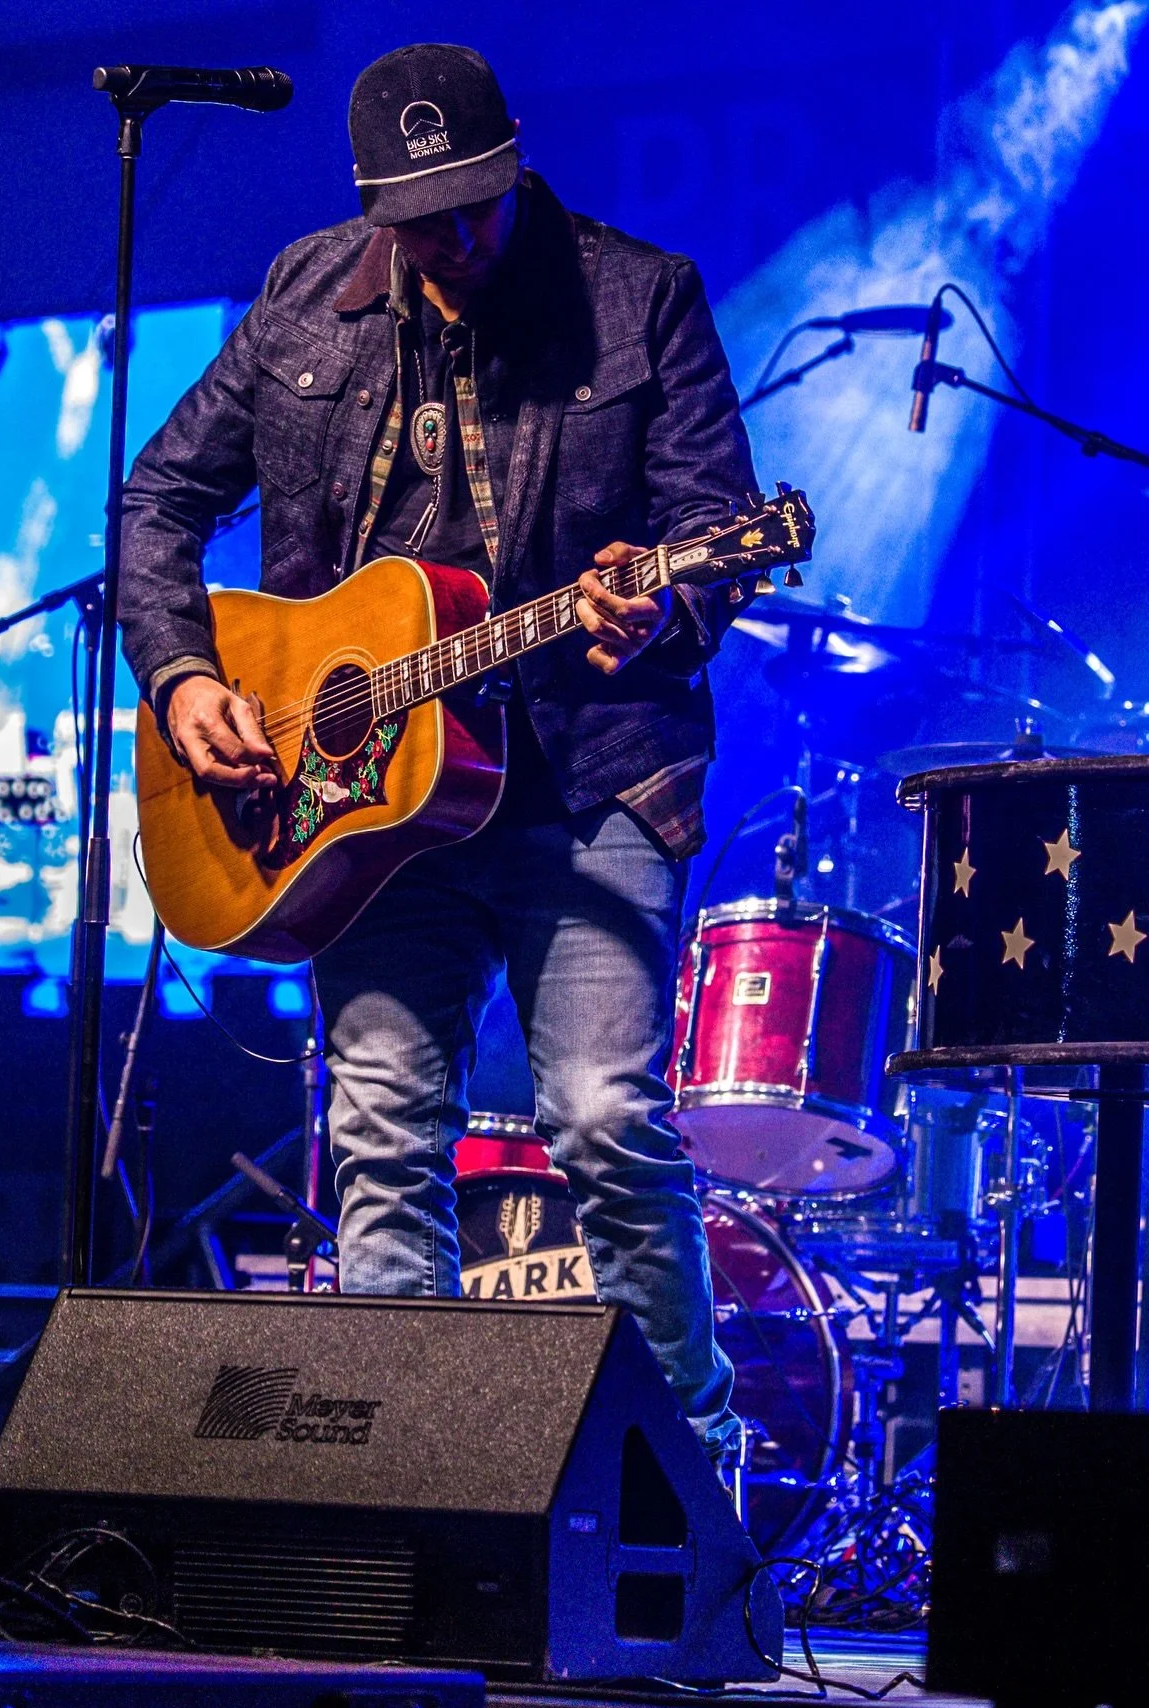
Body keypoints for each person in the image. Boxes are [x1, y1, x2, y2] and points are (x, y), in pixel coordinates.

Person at [119, 43, 759, 1464]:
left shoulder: (635, 300)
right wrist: (180, 678)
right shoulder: (305, 296)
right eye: (421, 222)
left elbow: (719, 533)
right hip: (361, 798)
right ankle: (404, 1489)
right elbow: (157, 501)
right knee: (383, 1135)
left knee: (602, 1118)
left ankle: (687, 1498)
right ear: (372, 210)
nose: (455, 243)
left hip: (584, 781)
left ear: (513, 163)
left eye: (476, 205)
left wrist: (663, 602)